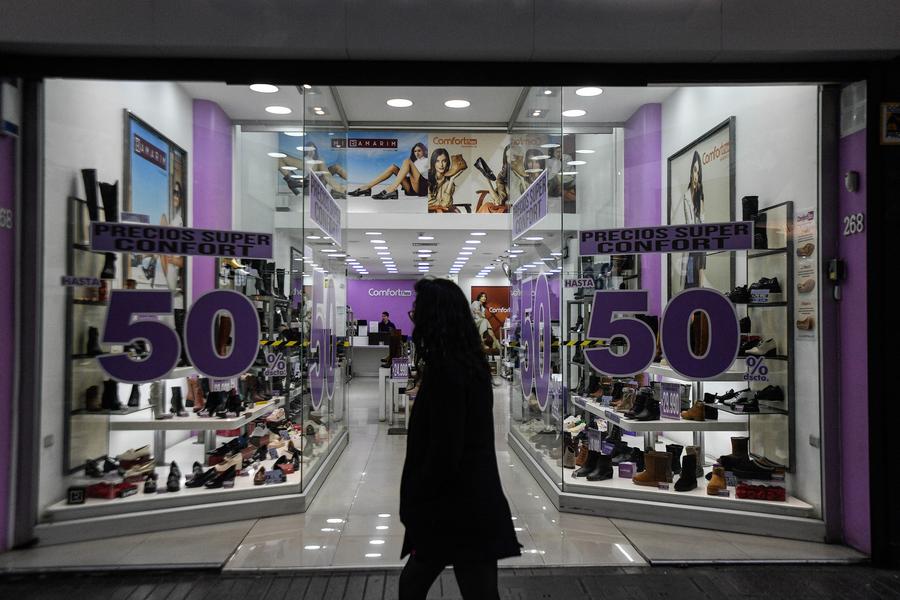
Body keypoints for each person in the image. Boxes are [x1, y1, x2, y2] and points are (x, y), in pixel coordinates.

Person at [400, 278, 520, 599]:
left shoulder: (448, 373)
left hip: (452, 507)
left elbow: (444, 448)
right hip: (471, 503)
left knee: (414, 585)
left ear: (434, 317)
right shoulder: (469, 365)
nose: (413, 316)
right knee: (476, 589)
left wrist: (417, 499)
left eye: (418, 311)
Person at [674, 150, 707, 290]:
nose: (696, 175)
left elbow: (704, 225)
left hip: (700, 250)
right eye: (694, 171)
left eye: (698, 172)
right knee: (690, 286)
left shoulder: (700, 197)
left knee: (699, 286)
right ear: (691, 172)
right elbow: (687, 228)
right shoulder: (686, 198)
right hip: (691, 253)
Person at [348, 142, 429, 199]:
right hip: (411, 187)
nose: (417, 153)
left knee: (407, 161)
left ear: (424, 151)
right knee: (393, 167)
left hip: (422, 187)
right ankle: (366, 188)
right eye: (415, 151)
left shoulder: (427, 160)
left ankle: (391, 189)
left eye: (419, 150)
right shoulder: (415, 162)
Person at [426, 148, 468, 213]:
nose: (441, 165)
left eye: (444, 161)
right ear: (433, 163)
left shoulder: (449, 183)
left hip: (443, 213)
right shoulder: (427, 178)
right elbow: (429, 202)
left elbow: (446, 204)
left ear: (447, 162)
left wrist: (451, 180)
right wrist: (442, 204)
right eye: (437, 161)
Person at [474, 145, 510, 214]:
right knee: (486, 206)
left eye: (513, 156)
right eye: (508, 156)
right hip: (502, 203)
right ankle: (486, 176)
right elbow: (498, 200)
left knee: (490, 207)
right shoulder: (503, 174)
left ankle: (485, 172)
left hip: (510, 205)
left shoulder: (518, 174)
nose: (510, 159)